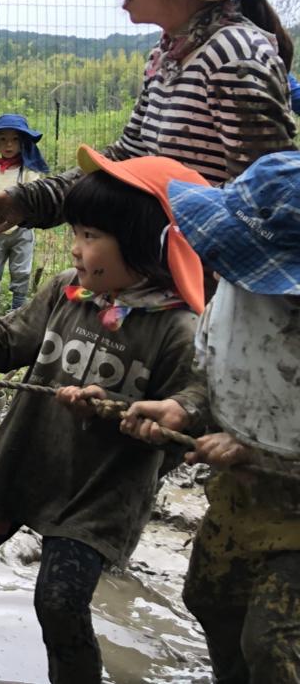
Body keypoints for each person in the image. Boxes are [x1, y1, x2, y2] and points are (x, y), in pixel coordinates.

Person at [0, 146, 210, 684]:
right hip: (20, 462)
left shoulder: (179, 330)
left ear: (145, 243)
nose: (77, 248)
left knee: (58, 604)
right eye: (76, 233)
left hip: (99, 493)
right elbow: (5, 337)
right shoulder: (67, 290)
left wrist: (153, 414)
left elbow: (197, 409)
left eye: (91, 236)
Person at [0, 0, 295, 234]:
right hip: (161, 267)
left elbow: (265, 207)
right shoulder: (168, 55)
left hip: (203, 280)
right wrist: (32, 200)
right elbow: (129, 156)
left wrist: (141, 227)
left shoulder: (233, 56)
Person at [120, 151, 300, 684]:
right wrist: (187, 408)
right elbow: (219, 370)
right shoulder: (233, 296)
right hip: (241, 497)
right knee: (209, 598)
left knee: (273, 641)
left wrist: (258, 454)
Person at [0, 114, 48, 317]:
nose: (9, 145)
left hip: (22, 227)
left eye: (15, 139)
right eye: (3, 139)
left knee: (21, 268)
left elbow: (36, 191)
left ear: (23, 142)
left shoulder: (29, 171)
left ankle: (18, 304)